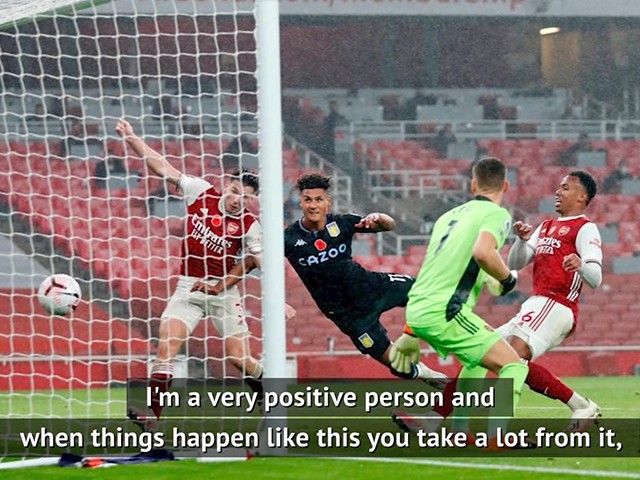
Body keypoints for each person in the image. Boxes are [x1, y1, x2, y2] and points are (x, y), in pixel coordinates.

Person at [394, 170, 603, 439]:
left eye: (565, 188)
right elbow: (516, 263)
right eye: (559, 187)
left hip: (557, 304)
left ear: (582, 197)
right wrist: (522, 240)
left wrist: (581, 264)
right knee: (480, 355)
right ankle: (435, 420)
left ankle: (499, 432)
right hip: (535, 304)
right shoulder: (547, 226)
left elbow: (595, 278)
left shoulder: (585, 228)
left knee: (511, 358)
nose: (558, 191)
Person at [115, 118, 269, 424]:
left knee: (239, 359)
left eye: (246, 197)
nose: (237, 200)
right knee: (166, 347)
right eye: (234, 191)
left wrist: (278, 300)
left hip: (224, 292)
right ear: (227, 184)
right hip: (189, 287)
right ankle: (153, 420)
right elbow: (163, 168)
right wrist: (132, 139)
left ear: (252, 200)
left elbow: (261, 262)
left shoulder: (250, 225)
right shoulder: (200, 192)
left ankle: (269, 391)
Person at [389, 157, 530, 450]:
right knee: (514, 366)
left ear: (473, 185)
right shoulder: (496, 214)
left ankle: (454, 429)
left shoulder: (447, 217)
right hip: (446, 309)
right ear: (506, 186)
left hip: (419, 306)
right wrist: (507, 279)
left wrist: (409, 330)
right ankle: (498, 436)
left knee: (475, 362)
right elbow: (483, 253)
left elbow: (438, 268)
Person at [282, 172, 447, 389]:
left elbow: (388, 225)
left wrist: (378, 217)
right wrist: (278, 301)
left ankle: (474, 335)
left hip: (372, 287)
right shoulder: (288, 238)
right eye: (308, 200)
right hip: (349, 315)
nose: (313, 205)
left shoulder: (342, 223)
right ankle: (429, 375)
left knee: (428, 291)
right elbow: (255, 262)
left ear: (327, 202)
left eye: (319, 199)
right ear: (300, 202)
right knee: (399, 367)